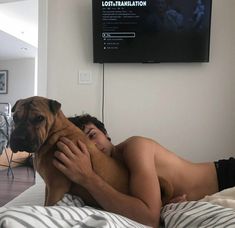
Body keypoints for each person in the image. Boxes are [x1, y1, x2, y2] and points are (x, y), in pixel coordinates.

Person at [52, 114, 235, 228]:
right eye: (84, 143)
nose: (92, 145)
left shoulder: (135, 147)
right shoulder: (112, 177)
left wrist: (88, 178)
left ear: (106, 134)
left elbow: (149, 219)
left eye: (93, 135)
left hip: (225, 175)